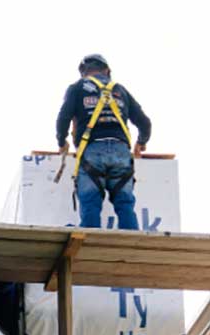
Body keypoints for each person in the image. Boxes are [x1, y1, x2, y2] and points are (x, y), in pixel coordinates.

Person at [56, 53, 151, 230]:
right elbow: (145, 123)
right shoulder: (120, 90)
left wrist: (62, 142)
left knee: (90, 203)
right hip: (121, 151)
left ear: (83, 72)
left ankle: (89, 249)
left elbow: (63, 118)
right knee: (125, 204)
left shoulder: (77, 88)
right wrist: (141, 142)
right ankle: (131, 247)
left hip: (92, 151)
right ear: (107, 71)